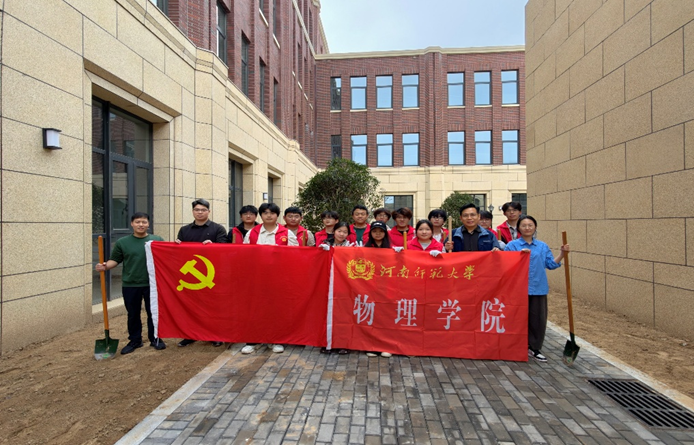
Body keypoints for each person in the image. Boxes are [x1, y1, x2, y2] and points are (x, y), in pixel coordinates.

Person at [95, 213, 165, 354]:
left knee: (153, 313)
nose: (141, 225)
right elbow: (115, 260)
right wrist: (105, 266)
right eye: (137, 222)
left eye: (144, 222)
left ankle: (155, 338)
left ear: (148, 224)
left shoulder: (157, 240)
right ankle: (135, 340)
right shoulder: (123, 242)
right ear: (132, 224)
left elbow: (167, 257)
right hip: (130, 284)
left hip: (152, 284)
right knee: (133, 314)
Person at [505, 215, 569, 363]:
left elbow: (551, 264)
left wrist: (562, 254)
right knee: (516, 319)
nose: (527, 228)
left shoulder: (542, 246)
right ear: (519, 228)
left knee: (538, 319)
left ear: (535, 227)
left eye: (530, 225)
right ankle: (516, 346)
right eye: (524, 225)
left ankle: (534, 348)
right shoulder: (512, 246)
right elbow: (505, 264)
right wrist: (518, 256)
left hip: (538, 288)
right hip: (518, 289)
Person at [242, 203, 297, 355]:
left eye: (272, 213)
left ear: (277, 215)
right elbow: (244, 254)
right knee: (255, 308)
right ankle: (252, 340)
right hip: (256, 278)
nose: (269, 215)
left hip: (279, 279)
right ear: (261, 215)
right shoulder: (252, 233)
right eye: (265, 213)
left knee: (277, 309)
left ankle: (277, 340)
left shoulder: (287, 234)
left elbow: (295, 256)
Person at [176, 198, 227, 347]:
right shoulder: (184, 230)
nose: (200, 212)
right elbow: (179, 254)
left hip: (212, 274)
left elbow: (224, 249)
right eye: (197, 210)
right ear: (193, 211)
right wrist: (177, 245)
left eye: (203, 210)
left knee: (212, 306)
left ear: (209, 211)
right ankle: (190, 334)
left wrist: (214, 245)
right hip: (190, 277)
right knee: (190, 306)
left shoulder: (218, 229)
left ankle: (214, 334)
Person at [362, 221, 393, 358]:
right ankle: (372, 345)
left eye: (381, 231)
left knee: (386, 316)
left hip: (387, 287)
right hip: (369, 287)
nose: (378, 234)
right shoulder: (365, 248)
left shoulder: (392, 248)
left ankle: (386, 346)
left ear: (385, 233)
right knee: (371, 317)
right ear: (371, 233)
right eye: (375, 231)